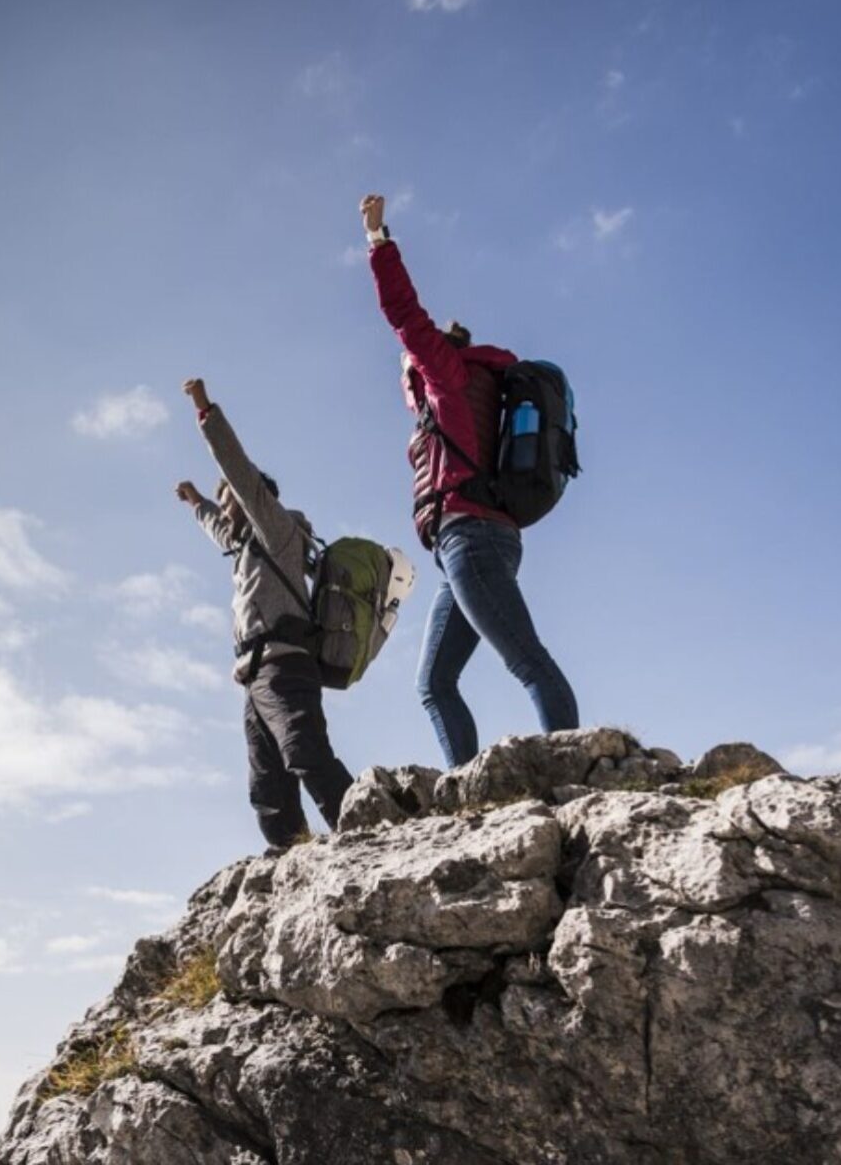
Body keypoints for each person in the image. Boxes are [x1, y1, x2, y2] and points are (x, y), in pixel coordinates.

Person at [360, 192, 579, 767]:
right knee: (434, 682)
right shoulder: (473, 384)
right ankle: (465, 788)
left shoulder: (446, 378)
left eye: (406, 370)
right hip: (471, 544)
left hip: (472, 540)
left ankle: (577, 770)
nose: (404, 380)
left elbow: (404, 314)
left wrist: (378, 242)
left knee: (526, 658)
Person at [174, 377, 354, 848]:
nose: (225, 504)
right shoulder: (246, 546)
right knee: (267, 782)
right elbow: (219, 528)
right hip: (255, 679)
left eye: (229, 496)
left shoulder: (276, 529)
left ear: (254, 501)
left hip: (285, 666)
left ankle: (364, 827)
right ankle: (289, 855)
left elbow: (237, 470)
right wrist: (197, 503)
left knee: (304, 751)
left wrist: (204, 409)